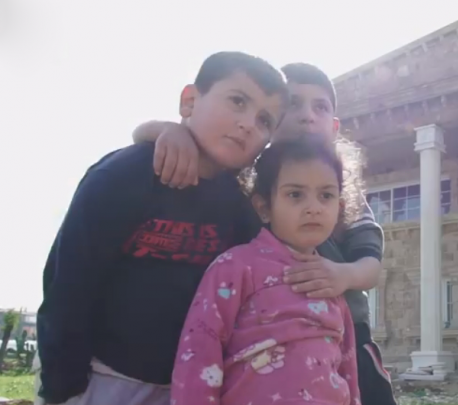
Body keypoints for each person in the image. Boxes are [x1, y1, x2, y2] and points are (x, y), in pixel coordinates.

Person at [132, 63, 397, 405]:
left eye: (319, 107)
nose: (307, 116)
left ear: (334, 126)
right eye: (294, 104)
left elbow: (371, 265)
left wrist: (341, 276)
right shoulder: (249, 182)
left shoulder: (343, 191)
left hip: (347, 333)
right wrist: (167, 130)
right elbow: (201, 347)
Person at [35, 51, 288, 405]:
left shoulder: (241, 211)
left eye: (264, 120)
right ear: (190, 101)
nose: (248, 123)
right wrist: (63, 387)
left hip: (184, 387)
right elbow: (69, 282)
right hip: (99, 377)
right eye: (237, 101)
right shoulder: (124, 175)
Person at [171, 135, 362, 405]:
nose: (313, 208)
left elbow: (348, 370)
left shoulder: (333, 284)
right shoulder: (236, 268)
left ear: (339, 208)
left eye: (326, 196)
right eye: (295, 194)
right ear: (263, 207)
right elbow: (199, 353)